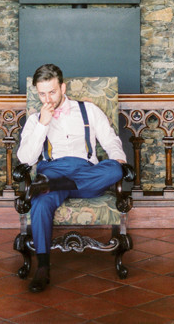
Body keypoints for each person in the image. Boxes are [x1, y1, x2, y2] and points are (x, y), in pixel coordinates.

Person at [17, 64, 127, 293]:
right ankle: (43, 267)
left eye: (52, 92)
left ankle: (53, 186)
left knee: (115, 169)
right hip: (53, 172)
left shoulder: (89, 110)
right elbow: (26, 159)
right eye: (42, 94)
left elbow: (110, 140)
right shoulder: (35, 120)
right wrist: (43, 124)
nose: (47, 99)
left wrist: (118, 158)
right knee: (40, 202)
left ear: (63, 88)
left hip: (86, 173)